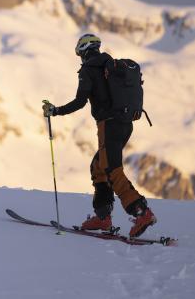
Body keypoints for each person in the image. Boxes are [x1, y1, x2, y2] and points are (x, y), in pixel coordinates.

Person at [42, 33, 157, 238]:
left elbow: (80, 101)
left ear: (83, 52)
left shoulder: (89, 70)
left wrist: (55, 111)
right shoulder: (110, 65)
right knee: (99, 166)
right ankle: (103, 217)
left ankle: (141, 213)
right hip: (125, 124)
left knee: (112, 169)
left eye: (79, 54)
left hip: (109, 125)